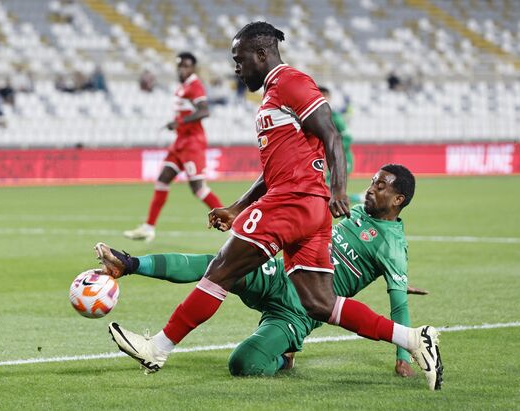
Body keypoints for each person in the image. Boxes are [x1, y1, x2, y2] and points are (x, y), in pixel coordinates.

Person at [102, 22, 442, 390]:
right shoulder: (271, 97)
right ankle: (413, 339)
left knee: (221, 268)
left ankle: (158, 348)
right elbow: (272, 172)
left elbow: (331, 133)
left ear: (262, 54)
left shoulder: (291, 82)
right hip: (304, 206)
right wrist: (236, 206)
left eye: (240, 59)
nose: (237, 67)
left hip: (294, 202)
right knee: (319, 302)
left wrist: (340, 189)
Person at [97, 165, 438, 384]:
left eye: (381, 186)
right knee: (217, 265)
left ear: (398, 199)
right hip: (280, 271)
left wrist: (401, 358)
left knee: (244, 364)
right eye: (374, 181)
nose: (371, 188)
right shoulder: (358, 207)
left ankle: (283, 358)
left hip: (300, 309)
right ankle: (130, 264)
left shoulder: (394, 248)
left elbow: (398, 306)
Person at [124, 52, 223, 242]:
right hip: (180, 142)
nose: (182, 69)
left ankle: (230, 219)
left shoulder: (195, 85)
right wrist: (177, 123)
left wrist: (180, 122)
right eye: (179, 66)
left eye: (186, 66)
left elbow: (204, 110)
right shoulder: (182, 87)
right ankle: (148, 228)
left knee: (198, 189)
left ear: (193, 68)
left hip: (193, 143)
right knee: (162, 179)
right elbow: (185, 114)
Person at [318, 86, 363, 204]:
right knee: (327, 189)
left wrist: (334, 152)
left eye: (324, 96)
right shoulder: (316, 116)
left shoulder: (335, 116)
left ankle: (355, 202)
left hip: (342, 158)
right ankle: (358, 199)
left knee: (330, 189)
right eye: (319, 95)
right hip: (327, 160)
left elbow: (347, 137)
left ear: (329, 98)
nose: (322, 98)